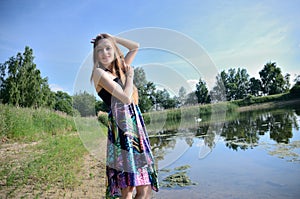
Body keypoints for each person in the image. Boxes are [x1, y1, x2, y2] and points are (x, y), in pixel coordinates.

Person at [90, 33, 159, 199]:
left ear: (114, 50)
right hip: (122, 127)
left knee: (145, 186)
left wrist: (113, 38)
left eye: (108, 48)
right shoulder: (99, 73)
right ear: (96, 55)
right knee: (127, 187)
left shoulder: (119, 69)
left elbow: (135, 46)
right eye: (100, 50)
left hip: (135, 124)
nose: (105, 53)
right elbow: (126, 97)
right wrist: (130, 77)